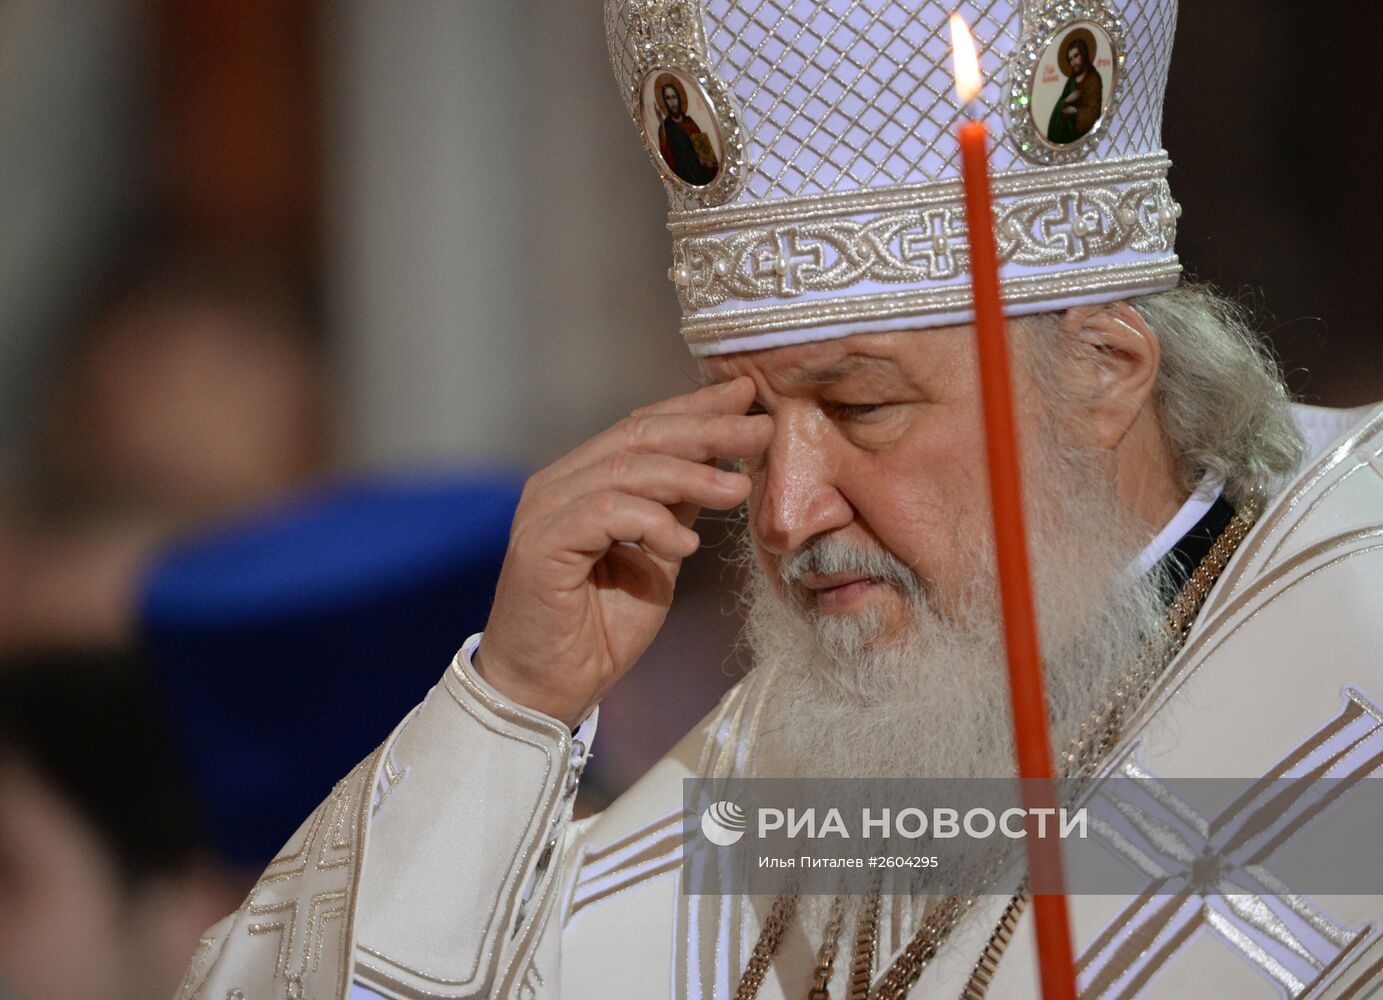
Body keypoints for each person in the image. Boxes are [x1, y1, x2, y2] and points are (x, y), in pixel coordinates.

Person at [180, 1, 1383, 997]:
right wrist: (514, 703)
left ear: (1103, 373)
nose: (784, 509)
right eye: (753, 420)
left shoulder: (1355, 611)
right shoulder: (775, 785)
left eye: (861, 408)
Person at [655, 73, 718, 186]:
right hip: (685, 176)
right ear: (665, 102)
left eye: (674, 97)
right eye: (668, 99)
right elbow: (667, 155)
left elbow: (705, 153)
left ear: (679, 99)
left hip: (701, 175)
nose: (672, 102)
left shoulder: (689, 122)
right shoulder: (665, 128)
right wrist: (662, 125)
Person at [1046, 34, 1104, 144]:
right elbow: (1061, 105)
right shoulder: (1071, 81)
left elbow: (1094, 112)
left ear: (1083, 54)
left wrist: (1076, 112)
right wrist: (1067, 100)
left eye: (1076, 56)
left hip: (1082, 135)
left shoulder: (1094, 79)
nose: (1073, 62)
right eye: (1070, 59)